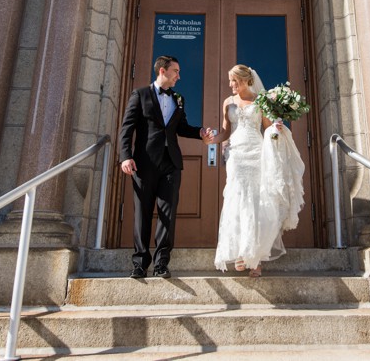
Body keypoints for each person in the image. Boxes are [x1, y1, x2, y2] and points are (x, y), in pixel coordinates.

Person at [119, 55, 214, 279]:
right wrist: (125, 156)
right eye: (176, 71)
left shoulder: (178, 99)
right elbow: (127, 128)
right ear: (162, 71)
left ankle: (162, 263)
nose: (179, 76)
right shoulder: (140, 95)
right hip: (143, 163)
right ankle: (140, 263)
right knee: (142, 212)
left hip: (171, 163)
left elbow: (181, 128)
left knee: (167, 215)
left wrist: (200, 133)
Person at [212, 64, 305, 278]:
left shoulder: (260, 101)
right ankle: (241, 252)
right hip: (236, 155)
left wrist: (276, 128)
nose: (231, 85)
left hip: (256, 153)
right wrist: (212, 139)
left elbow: (268, 128)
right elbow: (226, 131)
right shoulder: (228, 102)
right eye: (230, 81)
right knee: (238, 200)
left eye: (234, 80)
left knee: (255, 203)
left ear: (246, 80)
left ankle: (256, 260)